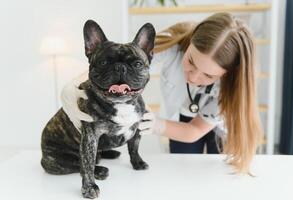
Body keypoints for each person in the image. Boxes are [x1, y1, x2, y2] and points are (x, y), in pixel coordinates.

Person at [61, 12, 263, 173]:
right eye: (191, 62)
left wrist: (157, 124)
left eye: (208, 76)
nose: (194, 77)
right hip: (179, 117)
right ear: (191, 41)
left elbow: (195, 131)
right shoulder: (170, 48)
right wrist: (72, 86)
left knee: (216, 168)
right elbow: (119, 63)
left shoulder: (229, 88)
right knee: (182, 168)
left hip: (218, 127)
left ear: (227, 74)